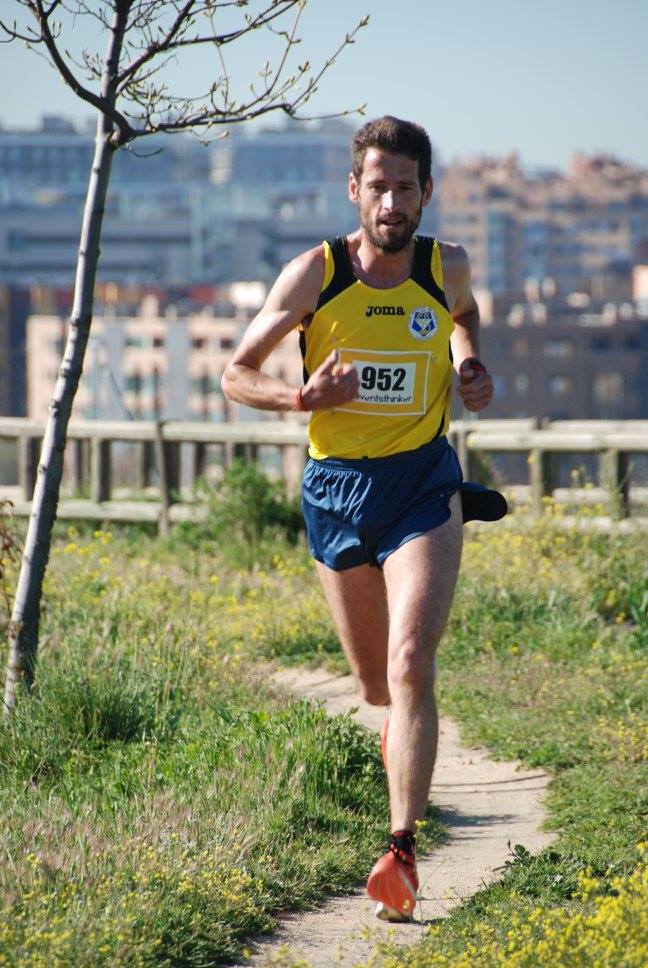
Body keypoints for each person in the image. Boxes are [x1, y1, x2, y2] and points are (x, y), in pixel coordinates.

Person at [222, 116, 506, 922]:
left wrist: (469, 364)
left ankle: (401, 849)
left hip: (422, 484)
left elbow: (465, 314)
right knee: (378, 685)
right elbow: (236, 373)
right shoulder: (315, 275)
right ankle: (400, 756)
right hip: (335, 491)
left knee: (412, 661)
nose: (391, 202)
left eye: (404, 187)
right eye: (377, 187)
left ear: (426, 192)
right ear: (354, 190)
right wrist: (299, 396)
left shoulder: (445, 266)